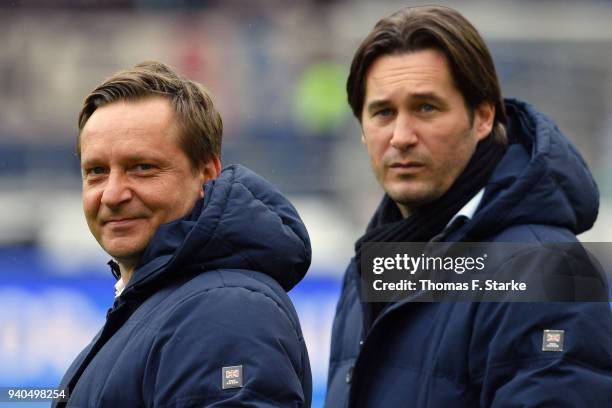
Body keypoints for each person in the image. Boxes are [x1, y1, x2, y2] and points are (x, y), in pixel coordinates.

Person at [326, 6, 612, 407]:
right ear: (362, 129)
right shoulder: (368, 270)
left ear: (482, 117)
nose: (401, 136)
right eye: (383, 112)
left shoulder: (547, 269)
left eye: (426, 107)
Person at [53, 61, 312, 407]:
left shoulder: (227, 311)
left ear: (206, 173)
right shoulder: (164, 306)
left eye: (142, 168)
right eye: (97, 172)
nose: (112, 194)